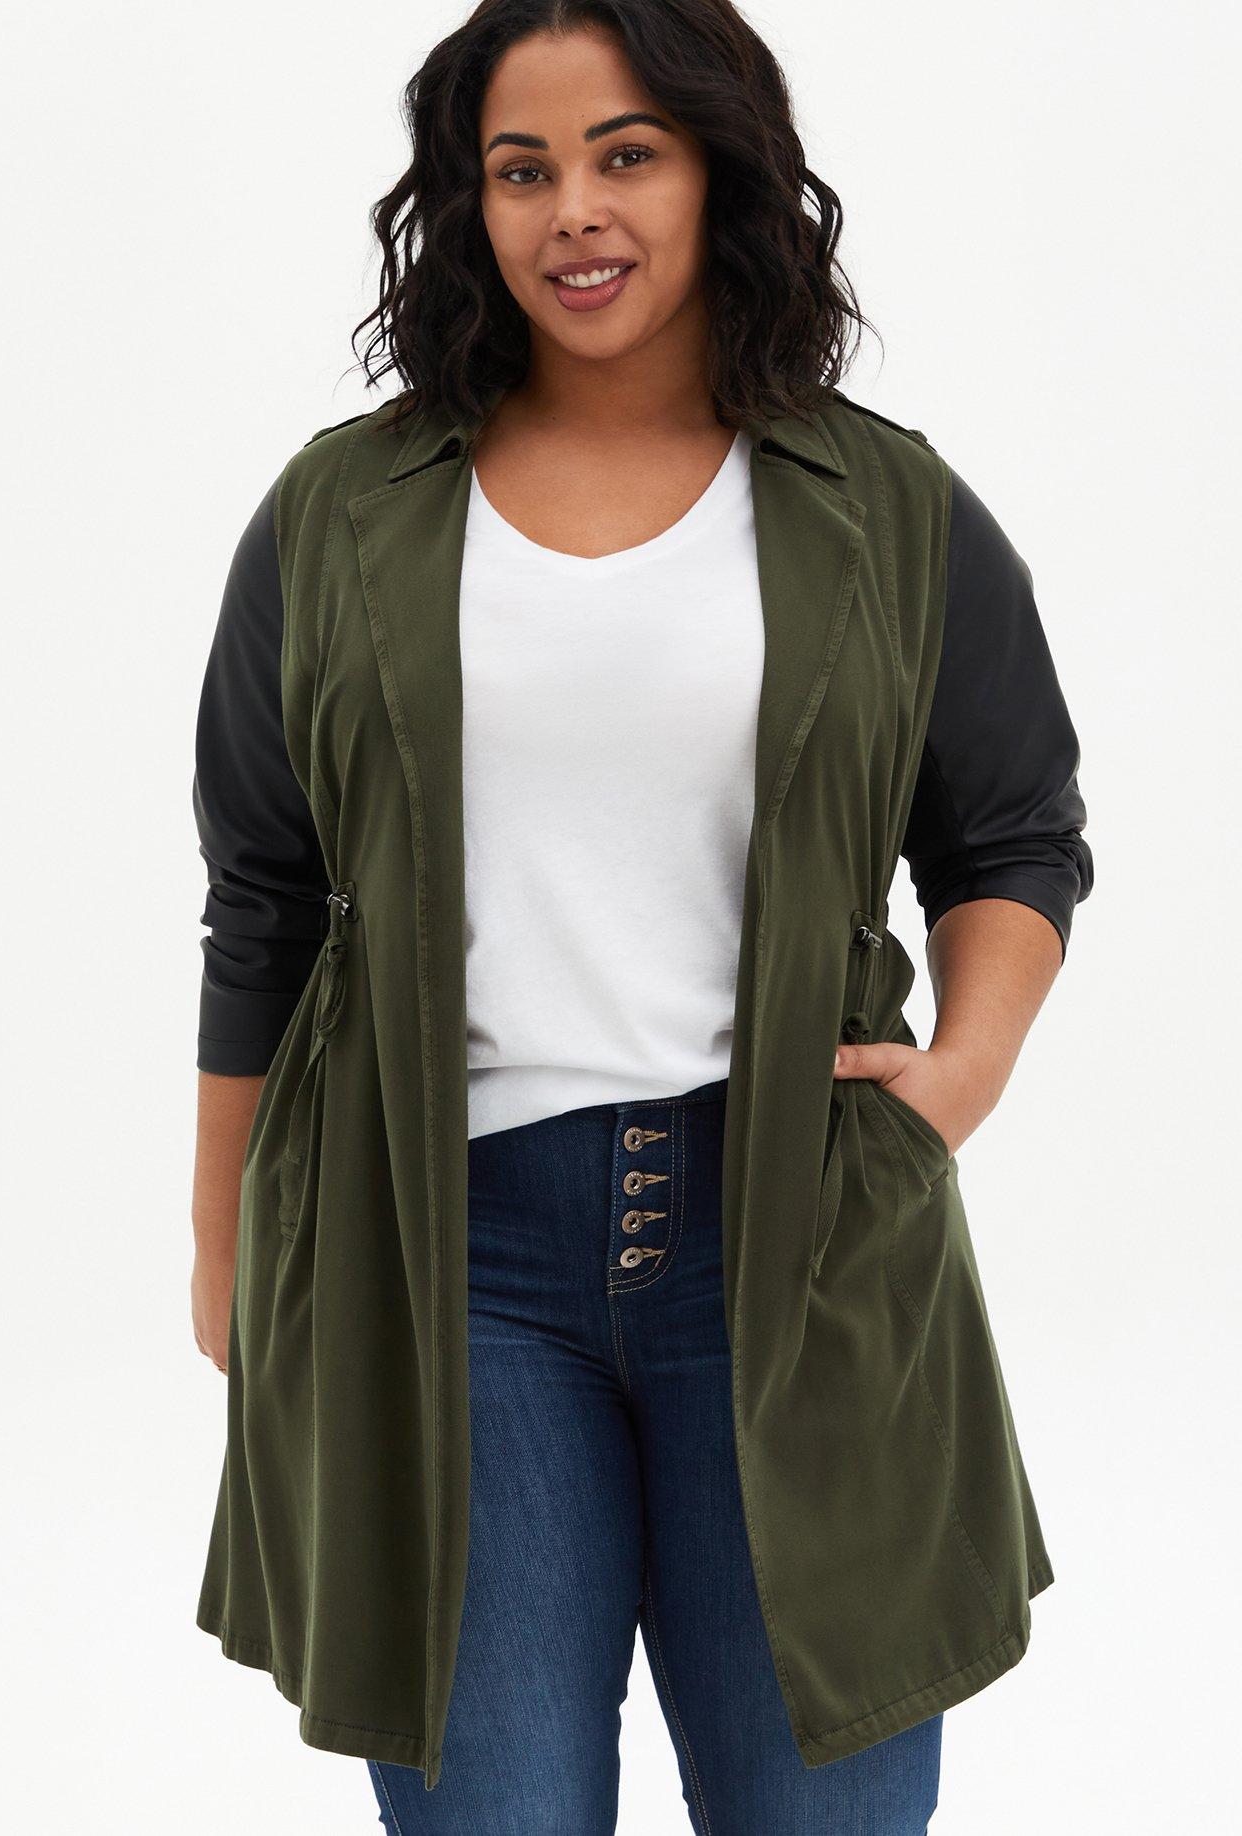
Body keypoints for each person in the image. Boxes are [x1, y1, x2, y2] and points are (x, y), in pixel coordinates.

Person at [190, 2, 1093, 1830]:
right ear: (470, 204)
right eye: (520, 169)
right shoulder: (338, 516)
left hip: (800, 1238)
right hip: (449, 1259)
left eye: (626, 156)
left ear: (716, 175)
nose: (573, 212)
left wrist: (961, 1076)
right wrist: (228, 1250)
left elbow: (1014, 834)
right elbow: (262, 905)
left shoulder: (886, 506)